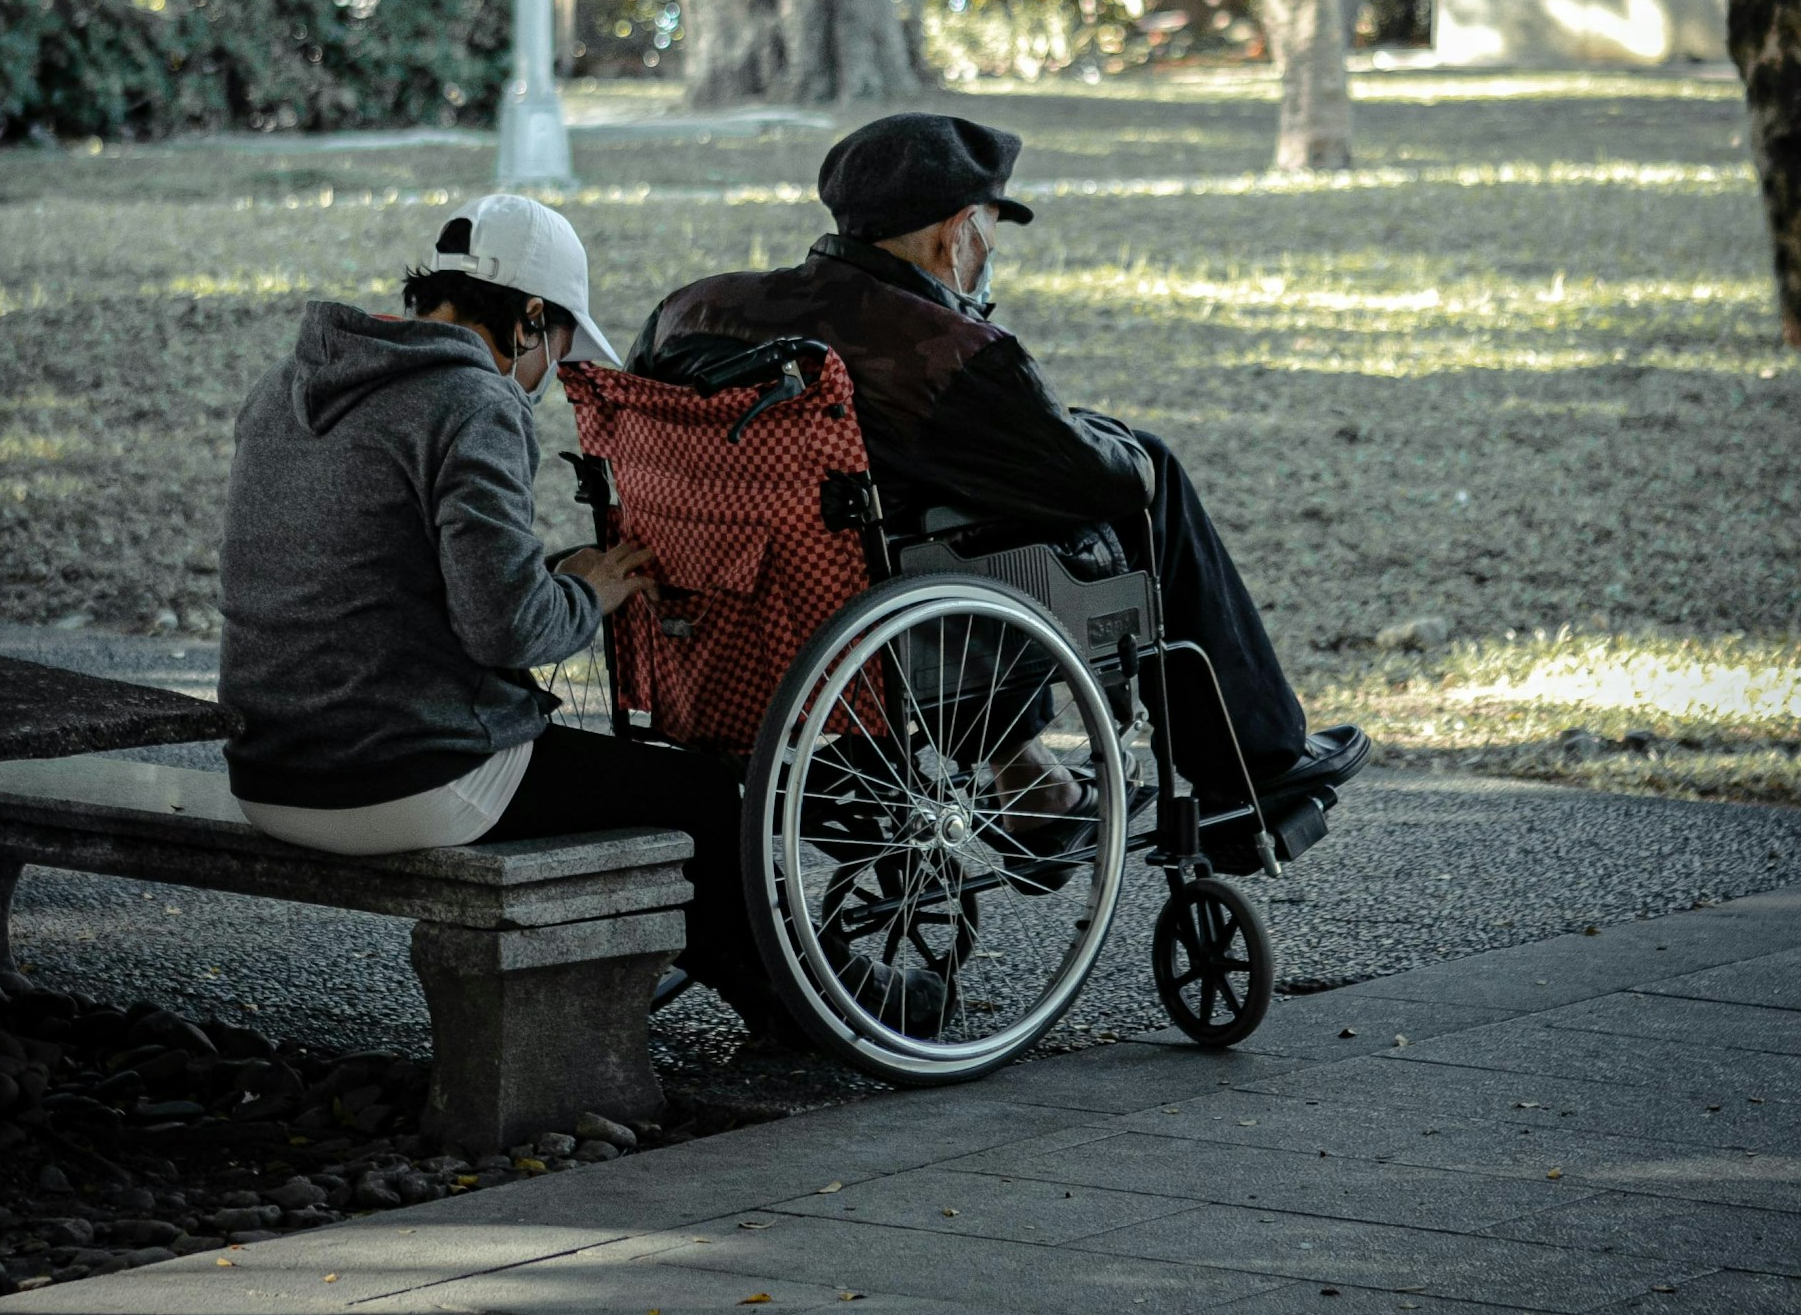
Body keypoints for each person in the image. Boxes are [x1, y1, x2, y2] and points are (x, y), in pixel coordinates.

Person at [628, 113, 1368, 824]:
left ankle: (1029, 775)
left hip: (728, 605)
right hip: (891, 610)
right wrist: (1117, 444)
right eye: (989, 229)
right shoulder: (945, 349)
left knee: (954, 511)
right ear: (958, 232)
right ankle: (1255, 762)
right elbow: (1101, 483)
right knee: (1152, 474)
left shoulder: (692, 309)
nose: (989, 249)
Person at [218, 190, 778, 1028]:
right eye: (554, 343)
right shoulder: (472, 401)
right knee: (699, 794)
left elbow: (391, 573)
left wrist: (559, 573)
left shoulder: (286, 386)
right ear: (524, 319)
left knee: (638, 787)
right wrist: (591, 591)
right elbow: (507, 628)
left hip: (266, 770)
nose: (549, 373)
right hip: (403, 777)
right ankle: (789, 1015)